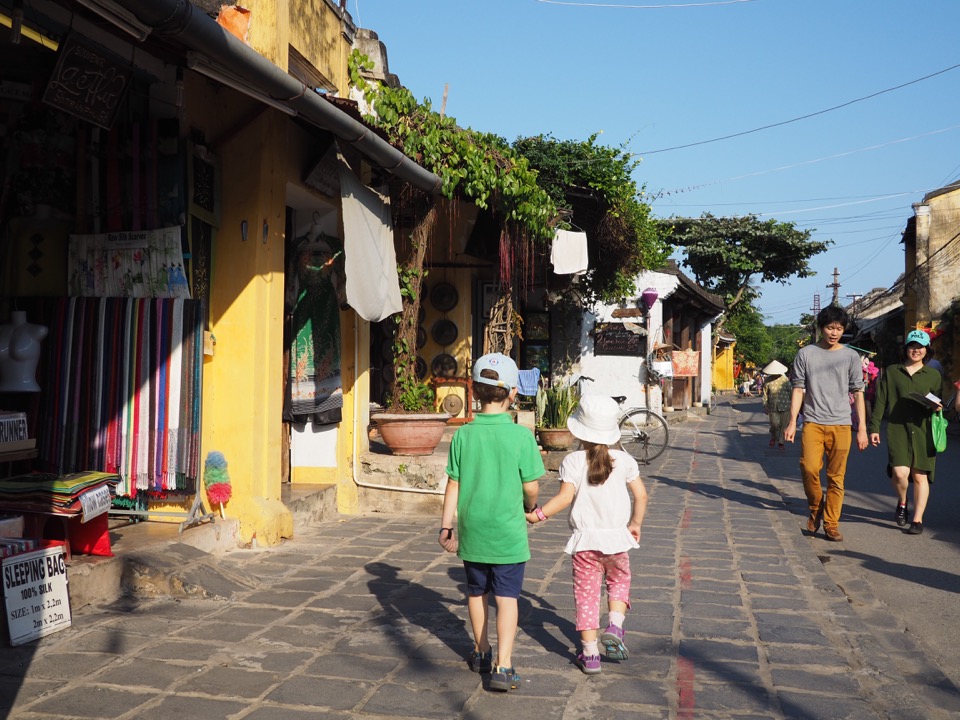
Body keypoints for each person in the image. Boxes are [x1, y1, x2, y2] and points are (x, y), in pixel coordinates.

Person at [438, 352, 545, 692]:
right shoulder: (521, 436)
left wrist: (446, 526)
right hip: (508, 531)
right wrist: (531, 506)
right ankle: (504, 664)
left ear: (473, 390)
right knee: (507, 597)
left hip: (474, 529)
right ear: (513, 393)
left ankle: (482, 651)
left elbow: (453, 484)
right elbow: (531, 486)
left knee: (476, 591)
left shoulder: (463, 435)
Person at [524, 395, 648, 675]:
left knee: (587, 596)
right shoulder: (625, 460)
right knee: (619, 582)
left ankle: (590, 655)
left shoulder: (573, 461)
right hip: (617, 540)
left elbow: (565, 498)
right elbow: (641, 495)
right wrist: (634, 524)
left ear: (579, 429)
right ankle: (615, 625)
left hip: (585, 544)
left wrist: (538, 515)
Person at [783, 306, 868, 542]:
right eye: (830, 327)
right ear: (821, 328)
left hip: (841, 424)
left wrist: (861, 428)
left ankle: (831, 523)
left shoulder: (851, 356)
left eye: (839, 328)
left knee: (836, 477)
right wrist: (792, 422)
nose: (834, 332)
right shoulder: (806, 354)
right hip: (812, 422)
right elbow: (798, 388)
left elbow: (858, 393)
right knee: (809, 468)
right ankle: (814, 508)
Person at [867, 330, 942, 535]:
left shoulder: (934, 375)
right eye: (912, 346)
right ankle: (902, 501)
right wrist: (874, 428)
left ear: (926, 350)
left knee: (920, 476)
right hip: (897, 428)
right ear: (906, 348)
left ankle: (917, 520)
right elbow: (881, 400)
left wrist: (937, 406)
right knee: (900, 473)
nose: (915, 350)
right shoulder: (892, 371)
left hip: (924, 429)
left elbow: (939, 402)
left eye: (920, 347)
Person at [761, 360, 791, 448]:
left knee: (783, 425)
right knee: (774, 424)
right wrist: (765, 405)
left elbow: (791, 392)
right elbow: (765, 394)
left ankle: (781, 441)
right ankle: (773, 436)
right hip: (772, 406)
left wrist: (793, 404)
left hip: (785, 406)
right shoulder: (767, 381)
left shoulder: (785, 380)